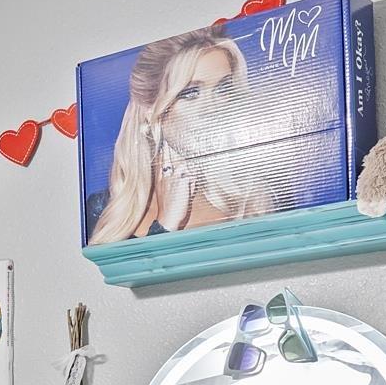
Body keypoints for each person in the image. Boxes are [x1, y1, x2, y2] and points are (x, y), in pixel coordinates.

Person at [87, 27, 271, 244]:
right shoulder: (103, 207)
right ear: (150, 109)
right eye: (191, 93)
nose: (212, 109)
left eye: (223, 89)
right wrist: (165, 224)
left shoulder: (255, 197)